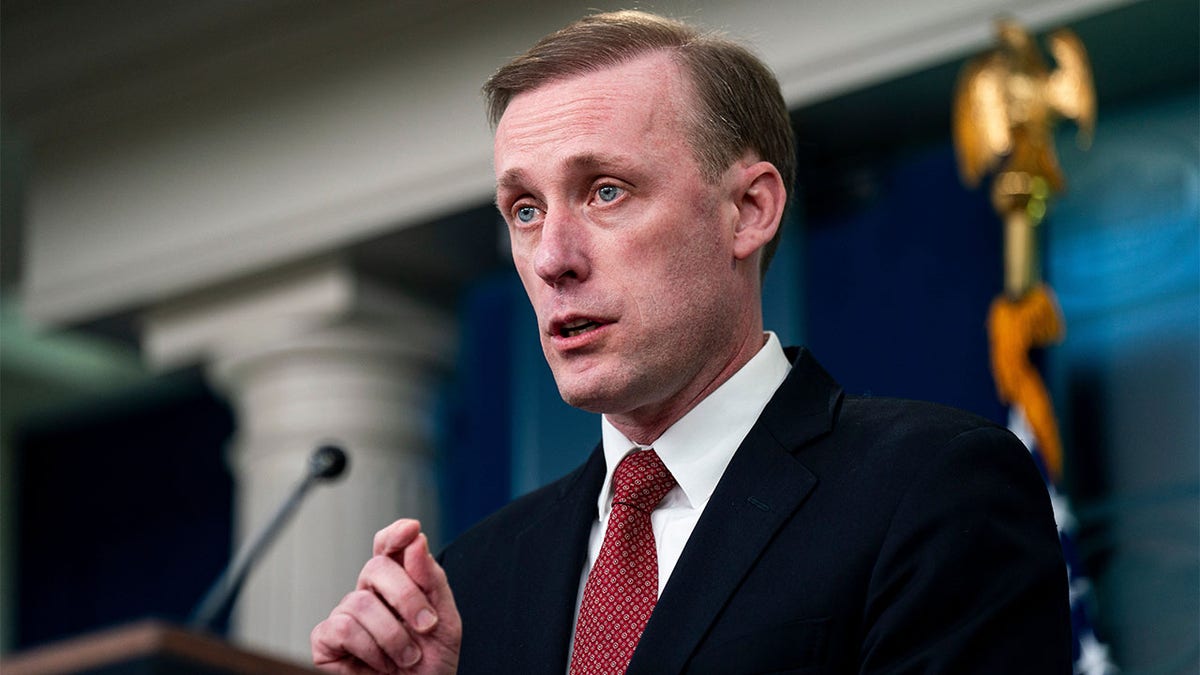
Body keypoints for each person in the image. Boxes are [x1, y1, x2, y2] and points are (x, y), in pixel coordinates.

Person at [310, 10, 1071, 674]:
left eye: (606, 190)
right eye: (525, 209)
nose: (552, 258)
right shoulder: (475, 580)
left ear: (748, 210)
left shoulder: (931, 486)